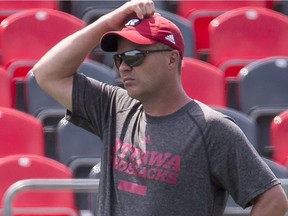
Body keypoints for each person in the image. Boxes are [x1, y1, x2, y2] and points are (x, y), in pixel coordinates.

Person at [31, 0, 288, 215]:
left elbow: (273, 200)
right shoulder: (115, 107)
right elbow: (46, 74)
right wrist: (107, 24)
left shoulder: (212, 128)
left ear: (171, 59)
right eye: (119, 58)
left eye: (134, 56)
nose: (123, 67)